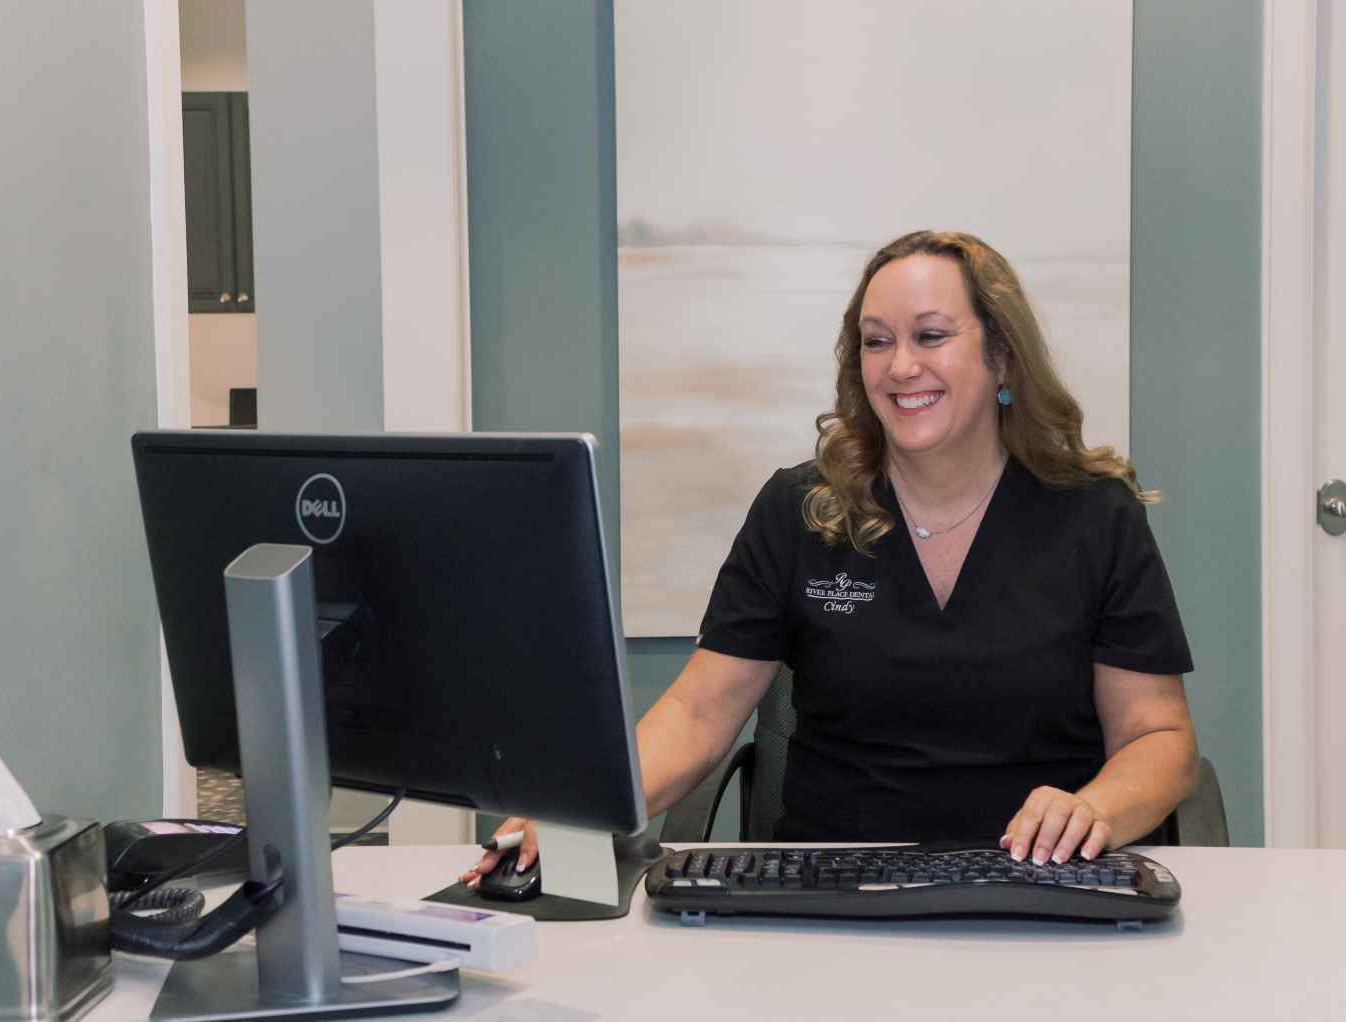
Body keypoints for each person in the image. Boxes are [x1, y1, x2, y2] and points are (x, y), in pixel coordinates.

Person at [464, 229, 1197, 888]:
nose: (901, 367)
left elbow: (1158, 738)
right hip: (830, 885)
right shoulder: (800, 511)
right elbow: (697, 711)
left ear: (1002, 355)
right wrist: (587, 806)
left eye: (931, 335)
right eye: (876, 341)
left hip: (1033, 883)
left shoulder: (1095, 514)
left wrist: (1094, 806)